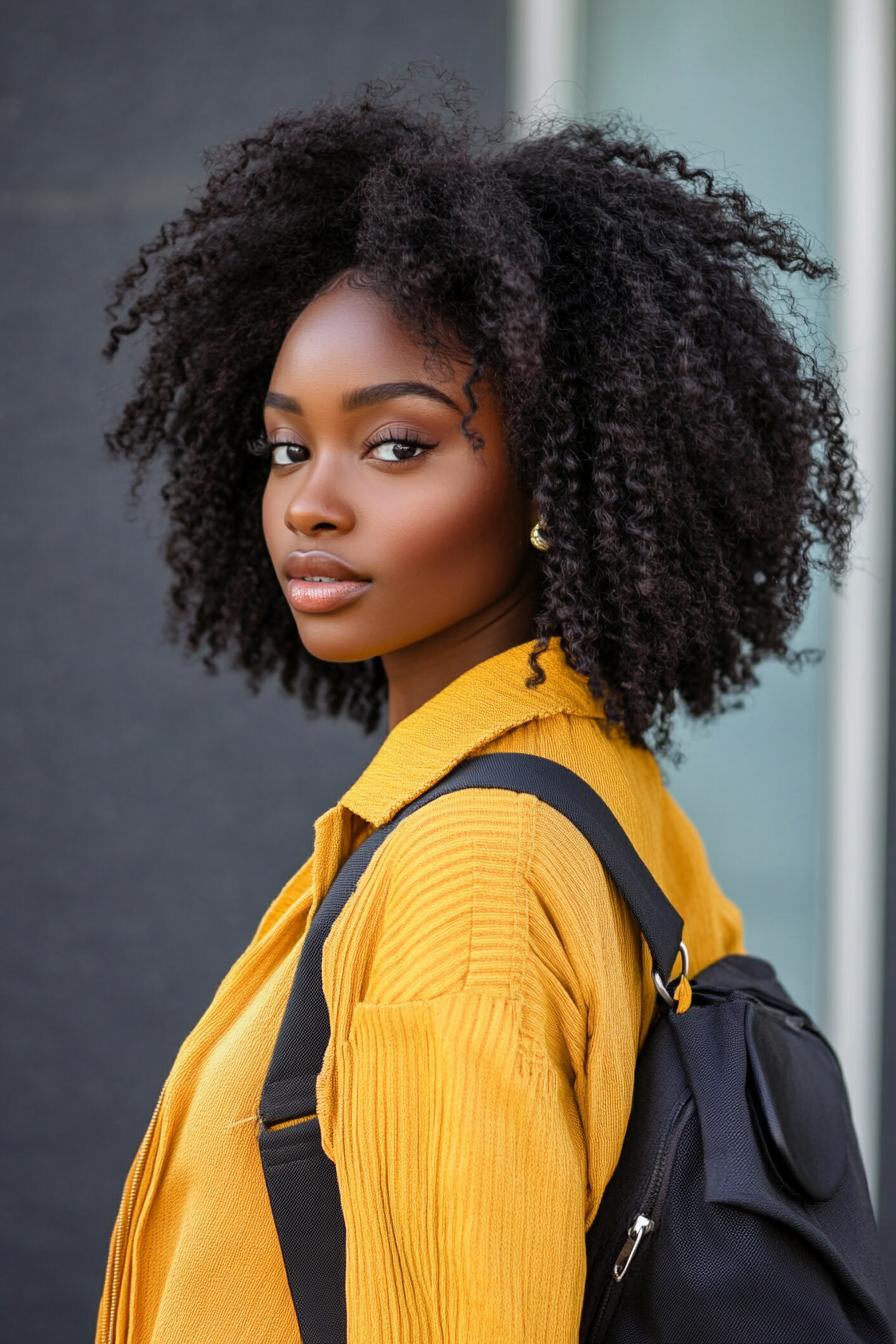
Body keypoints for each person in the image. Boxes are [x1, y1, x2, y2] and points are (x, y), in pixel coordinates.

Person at [93, 66, 860, 1344]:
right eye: (289, 446)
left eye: (396, 445)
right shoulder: (589, 783)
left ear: (553, 477)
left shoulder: (465, 875)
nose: (311, 502)